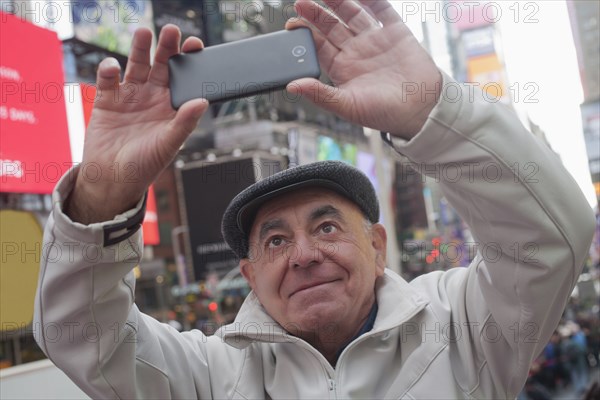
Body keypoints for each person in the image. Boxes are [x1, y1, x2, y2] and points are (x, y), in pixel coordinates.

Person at [33, 0, 595, 399]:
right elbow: (81, 336)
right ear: (250, 277)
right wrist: (102, 198)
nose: (303, 254)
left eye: (327, 227)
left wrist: (434, 112)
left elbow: (547, 239)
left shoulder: (463, 330)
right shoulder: (209, 375)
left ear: (377, 246)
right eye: (275, 240)